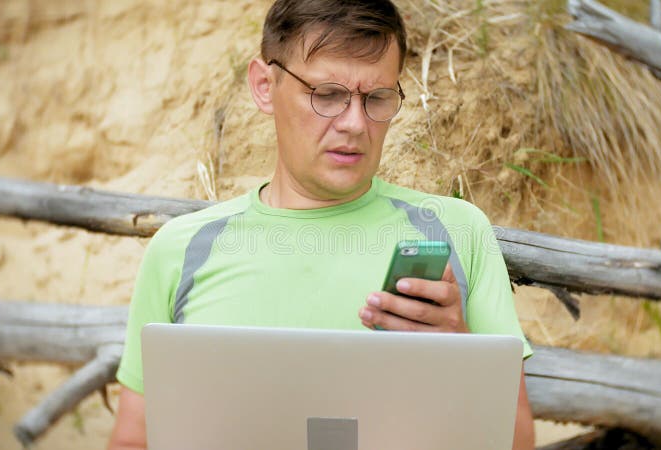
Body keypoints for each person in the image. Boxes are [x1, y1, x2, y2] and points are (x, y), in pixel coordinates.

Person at [107, 1, 535, 449]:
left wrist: (461, 357)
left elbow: (518, 441)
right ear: (264, 86)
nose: (354, 124)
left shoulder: (455, 231)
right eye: (327, 95)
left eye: (377, 99)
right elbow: (134, 441)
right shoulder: (182, 248)